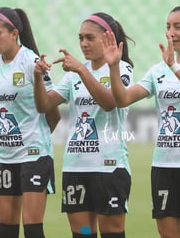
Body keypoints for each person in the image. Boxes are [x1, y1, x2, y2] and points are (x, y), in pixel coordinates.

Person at [105, 4, 180, 238]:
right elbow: (123, 99)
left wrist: (174, 66)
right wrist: (114, 67)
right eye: (168, 27)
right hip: (164, 164)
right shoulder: (157, 70)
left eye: (177, 26)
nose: (170, 32)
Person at [34, 12, 134, 238]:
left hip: (108, 166)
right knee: (83, 233)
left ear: (106, 38)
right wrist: (38, 78)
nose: (83, 43)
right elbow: (44, 105)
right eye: (80, 38)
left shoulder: (121, 70)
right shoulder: (72, 77)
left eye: (89, 38)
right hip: (75, 166)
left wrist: (81, 69)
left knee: (111, 233)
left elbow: (109, 103)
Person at [0, 7, 60, 238]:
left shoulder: (32, 62)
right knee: (5, 230)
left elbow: (53, 114)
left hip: (33, 156)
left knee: (32, 228)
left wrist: (35, 138)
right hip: (3, 157)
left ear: (14, 32)